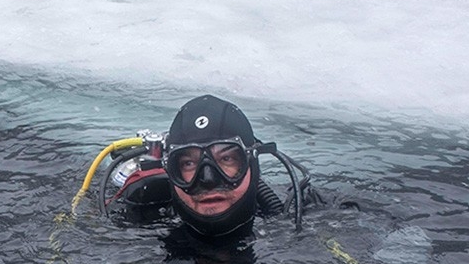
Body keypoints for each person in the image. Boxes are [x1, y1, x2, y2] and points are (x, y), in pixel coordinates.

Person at [99, 94, 317, 238]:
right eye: (188, 163)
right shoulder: (137, 219)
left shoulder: (305, 219)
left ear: (252, 163)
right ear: (170, 169)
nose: (208, 179)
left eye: (227, 159)